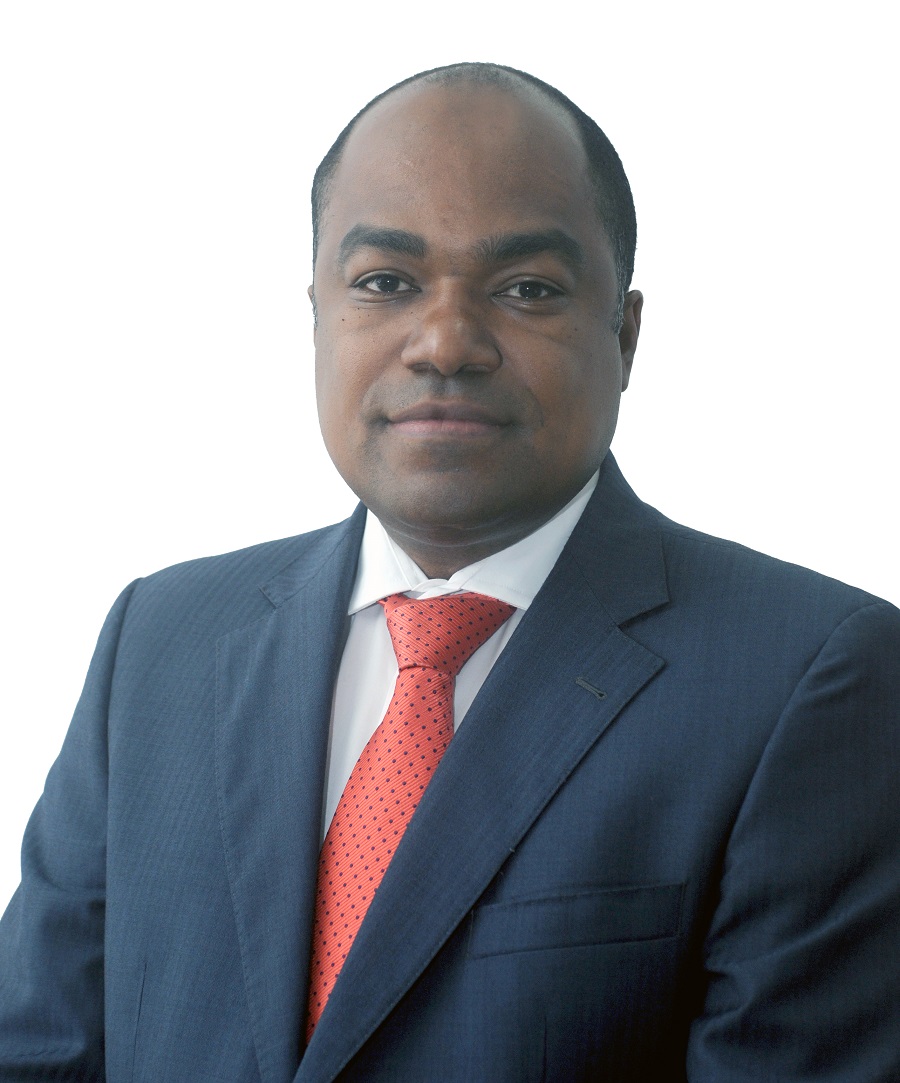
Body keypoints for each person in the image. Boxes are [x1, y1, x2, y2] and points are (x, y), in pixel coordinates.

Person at [1, 62, 898, 1083]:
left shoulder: (810, 680)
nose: (444, 343)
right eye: (386, 282)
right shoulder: (160, 640)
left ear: (626, 334)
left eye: (527, 289)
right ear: (318, 313)